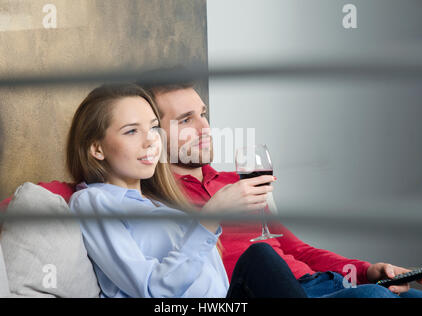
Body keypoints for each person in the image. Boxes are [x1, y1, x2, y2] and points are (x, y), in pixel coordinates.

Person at [140, 74, 422, 298]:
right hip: (271, 291)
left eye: (203, 114)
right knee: (374, 296)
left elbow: (297, 250)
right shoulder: (153, 201)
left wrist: (366, 270)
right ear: (154, 132)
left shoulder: (237, 181)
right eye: (186, 119)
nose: (205, 128)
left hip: (322, 283)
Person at [66, 83, 307, 298]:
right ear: (97, 149)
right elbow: (152, 290)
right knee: (260, 258)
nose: (151, 141)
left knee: (261, 257)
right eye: (131, 131)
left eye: (152, 128)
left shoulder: (157, 205)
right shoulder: (92, 201)